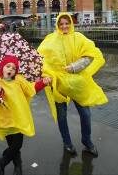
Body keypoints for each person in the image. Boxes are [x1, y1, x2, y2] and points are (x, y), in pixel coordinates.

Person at [37, 13, 108, 157]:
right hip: (59, 84)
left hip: (77, 83)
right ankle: (67, 143)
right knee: (62, 116)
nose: (64, 26)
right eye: (61, 24)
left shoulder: (79, 38)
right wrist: (48, 75)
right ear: (57, 25)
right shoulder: (50, 40)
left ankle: (87, 141)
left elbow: (90, 54)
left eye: (66, 23)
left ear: (71, 23)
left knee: (85, 114)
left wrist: (75, 67)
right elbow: (40, 59)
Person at [0, 55, 51, 175]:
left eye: (14, 68)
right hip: (6, 121)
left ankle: (3, 161)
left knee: (17, 145)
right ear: (2, 67)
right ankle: (18, 166)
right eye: (8, 66)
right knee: (13, 146)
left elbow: (31, 88)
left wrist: (43, 83)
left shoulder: (19, 80)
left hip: (19, 119)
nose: (10, 69)